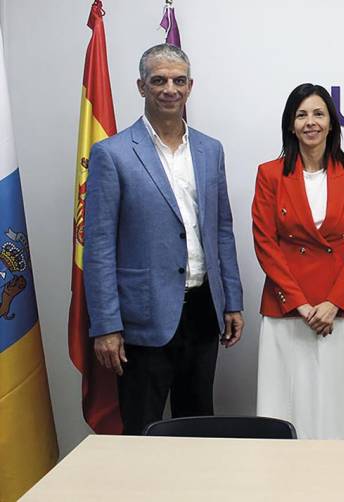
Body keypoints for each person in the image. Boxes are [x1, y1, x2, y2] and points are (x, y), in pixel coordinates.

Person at [83, 44, 244, 435]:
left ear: (190, 87)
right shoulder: (112, 154)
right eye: (159, 80)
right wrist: (106, 325)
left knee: (198, 428)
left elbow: (222, 228)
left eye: (178, 80)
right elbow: (99, 247)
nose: (169, 88)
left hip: (204, 310)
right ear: (141, 86)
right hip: (143, 317)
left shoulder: (210, 150)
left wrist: (233, 301)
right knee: (142, 431)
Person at [252, 83, 344, 439]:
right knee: (289, 403)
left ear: (331, 123)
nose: (310, 122)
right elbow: (266, 243)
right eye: (301, 115)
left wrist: (333, 303)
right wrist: (301, 304)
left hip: (343, 307)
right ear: (290, 125)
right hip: (289, 308)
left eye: (318, 113)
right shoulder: (269, 174)